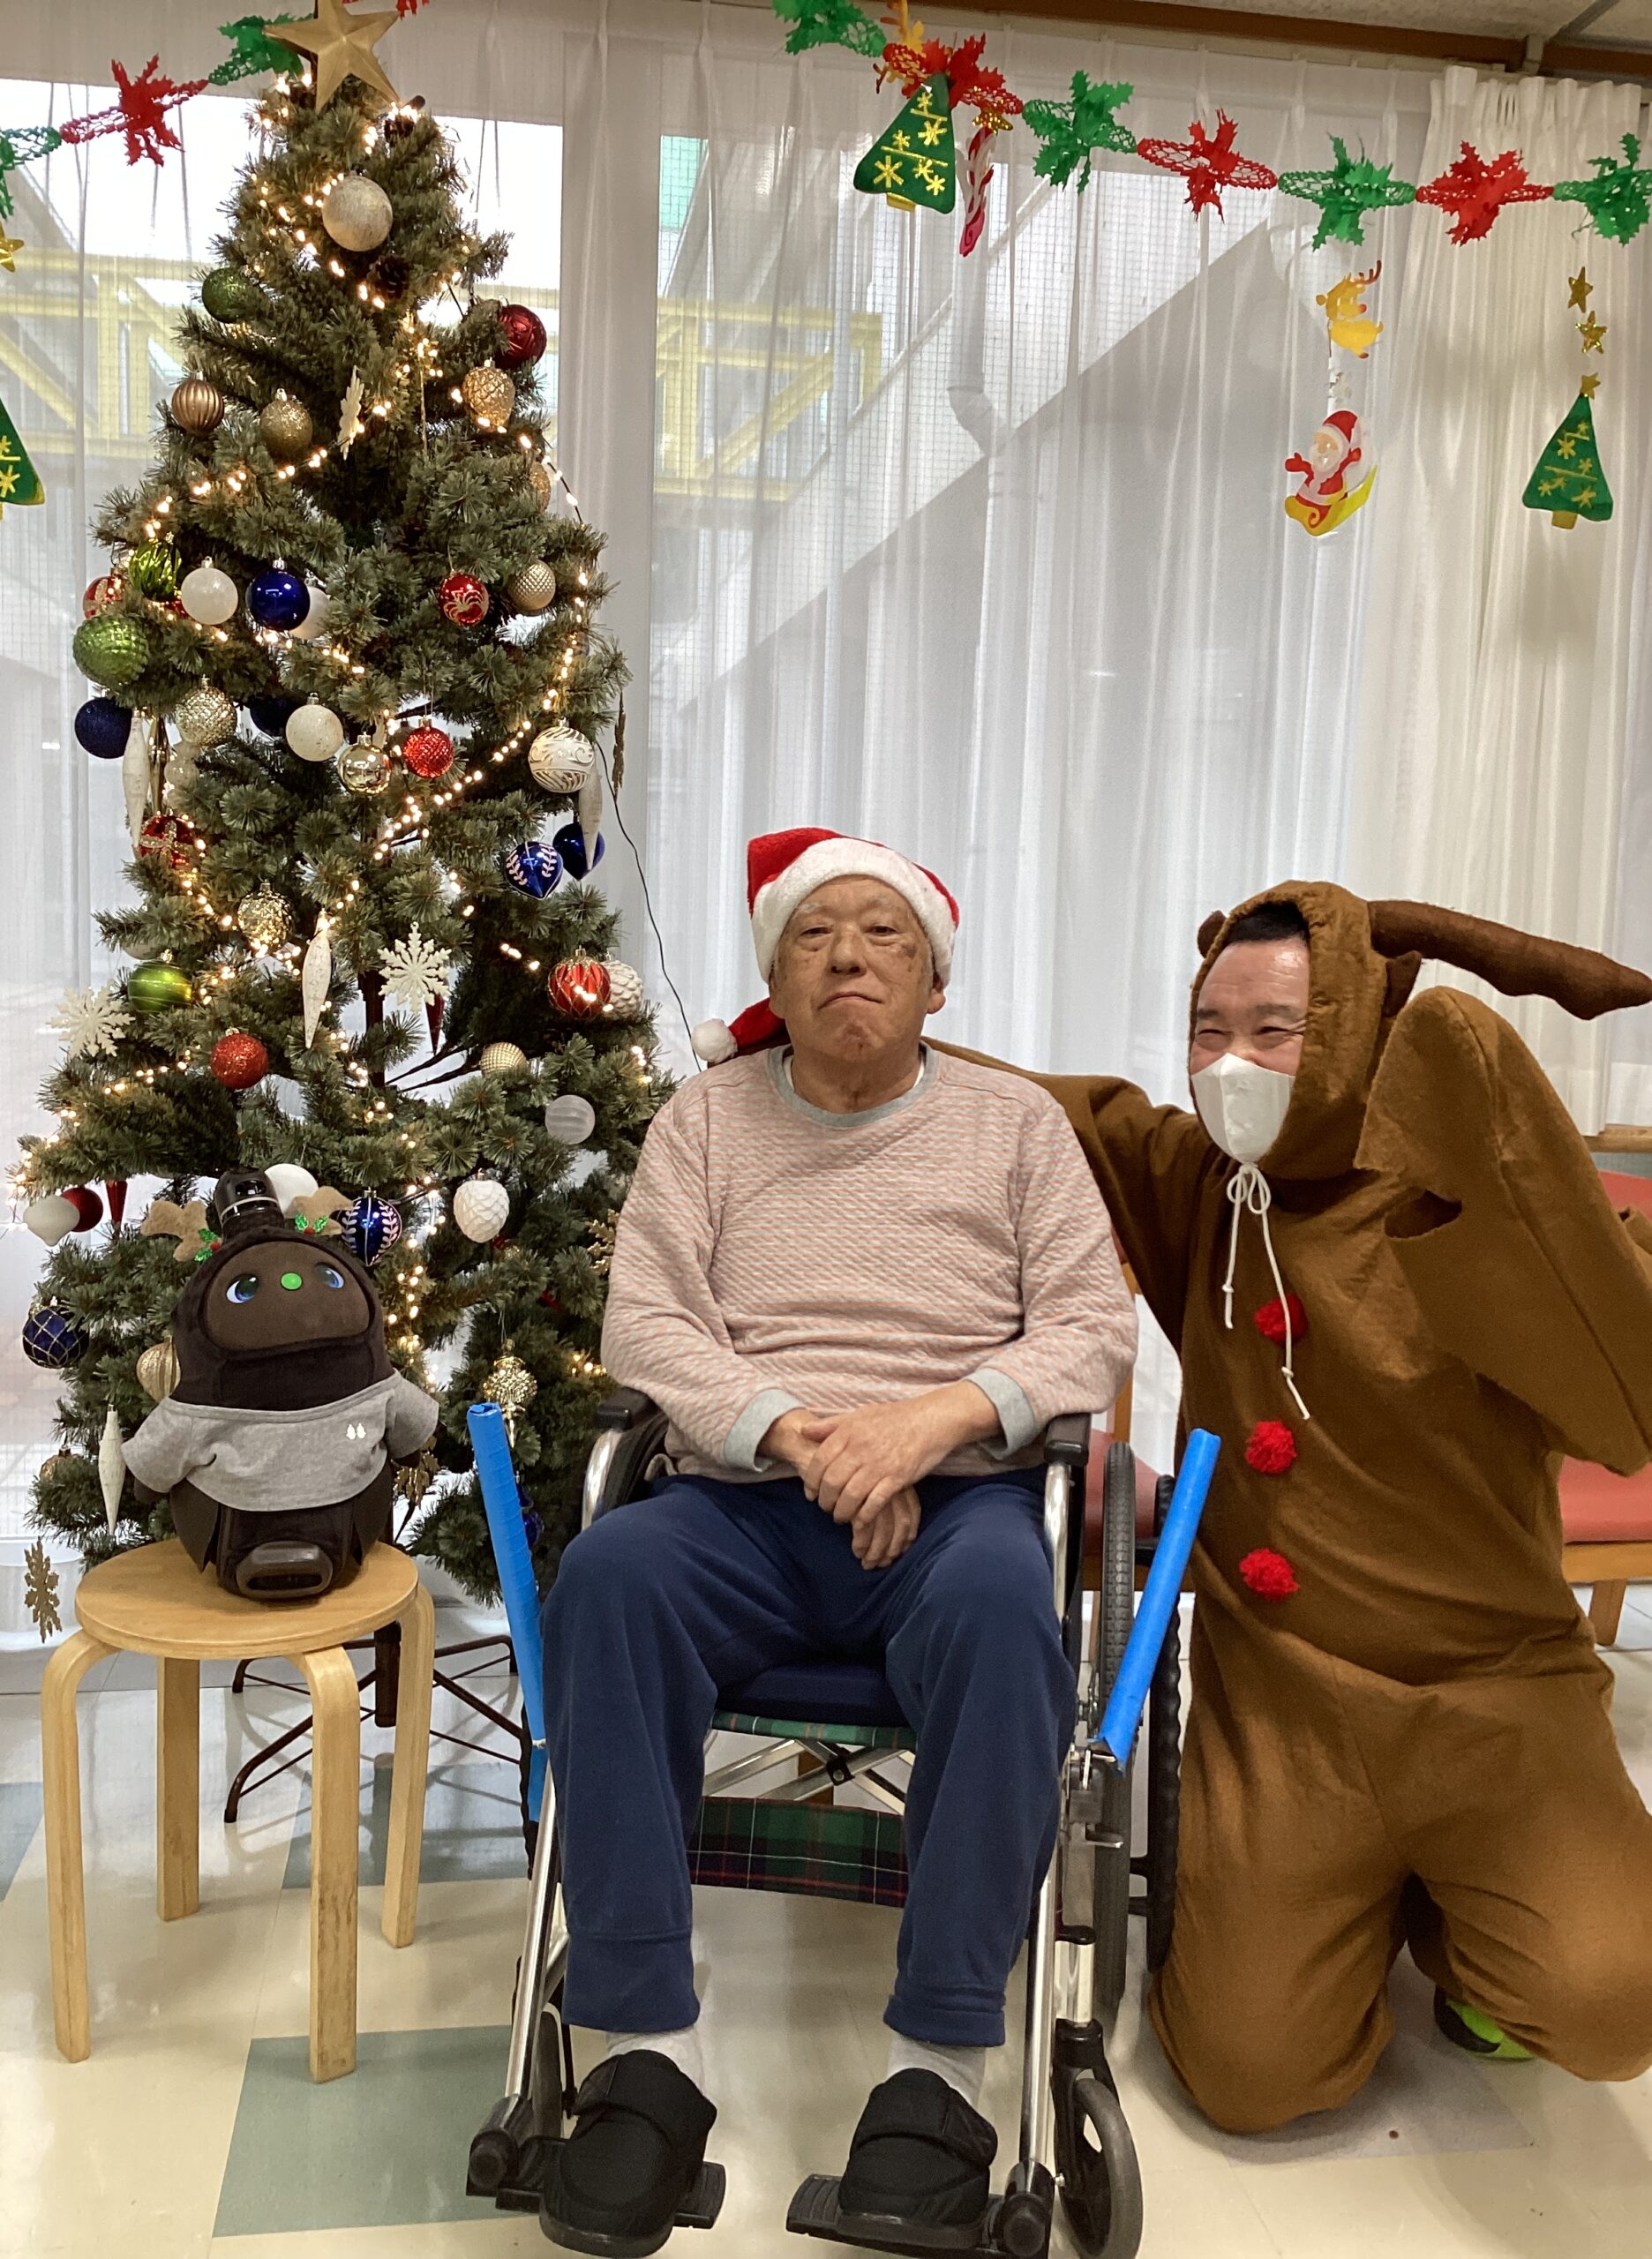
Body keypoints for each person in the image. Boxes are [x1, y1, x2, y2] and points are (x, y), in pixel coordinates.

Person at [950, 881, 1652, 2134]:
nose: (1232, 1064)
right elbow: (1059, 1109)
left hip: (1495, 1689)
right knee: (1249, 2080)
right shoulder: (1203, 1184)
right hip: (1284, 1705)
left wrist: (1504, 1148)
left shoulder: (1469, 1207)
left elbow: (1623, 1382)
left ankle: (1463, 1932)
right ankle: (1368, 1903)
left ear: (1351, 1033)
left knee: (1616, 2003)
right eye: (1208, 1030)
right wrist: (846, 1023)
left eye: (1274, 1031)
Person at [539, 828, 1137, 2253]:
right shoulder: (706, 1120)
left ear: (936, 980)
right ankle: (644, 2054)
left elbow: (1091, 1328)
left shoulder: (1013, 1128)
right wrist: (806, 1437)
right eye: (814, 936)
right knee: (608, 1579)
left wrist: (926, 1427)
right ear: (776, 976)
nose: (849, 958)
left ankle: (938, 2068)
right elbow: (645, 1323)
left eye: (884, 937)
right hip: (744, 1503)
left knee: (1007, 1613)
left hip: (958, 1507)